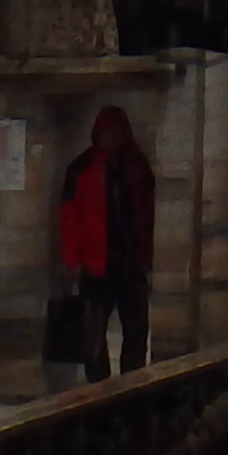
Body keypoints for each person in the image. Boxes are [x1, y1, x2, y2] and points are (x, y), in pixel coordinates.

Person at [51, 107, 156, 382]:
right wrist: (73, 260)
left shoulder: (137, 165)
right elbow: (69, 216)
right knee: (93, 337)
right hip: (95, 265)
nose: (112, 137)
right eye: (107, 132)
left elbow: (148, 211)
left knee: (136, 332)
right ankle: (98, 389)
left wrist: (146, 253)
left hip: (130, 263)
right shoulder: (81, 168)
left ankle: (132, 387)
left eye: (117, 131)